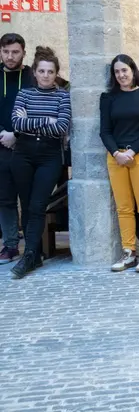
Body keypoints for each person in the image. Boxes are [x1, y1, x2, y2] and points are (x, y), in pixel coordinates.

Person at [8, 47, 70, 279]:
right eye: (41, 71)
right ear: (35, 72)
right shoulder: (24, 94)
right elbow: (16, 124)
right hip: (23, 154)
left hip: (49, 156)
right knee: (26, 203)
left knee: (37, 204)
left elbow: (61, 127)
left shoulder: (62, 96)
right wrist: (46, 119)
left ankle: (30, 256)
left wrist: (31, 120)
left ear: (56, 74)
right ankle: (33, 254)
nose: (45, 75)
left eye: (50, 71)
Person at [100, 54, 139, 272]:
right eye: (116, 72)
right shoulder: (108, 98)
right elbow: (105, 131)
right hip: (116, 157)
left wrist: (132, 151)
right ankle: (128, 251)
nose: (121, 75)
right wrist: (117, 153)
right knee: (123, 207)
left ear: (133, 70)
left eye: (124, 70)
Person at [0, 33, 32, 265]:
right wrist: (3, 134)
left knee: (30, 198)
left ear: (23, 52)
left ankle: (32, 245)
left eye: (15, 52)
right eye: (6, 52)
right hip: (1, 147)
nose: (10, 57)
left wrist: (16, 134)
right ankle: (10, 245)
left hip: (28, 146)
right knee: (5, 199)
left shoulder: (32, 76)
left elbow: (40, 108)